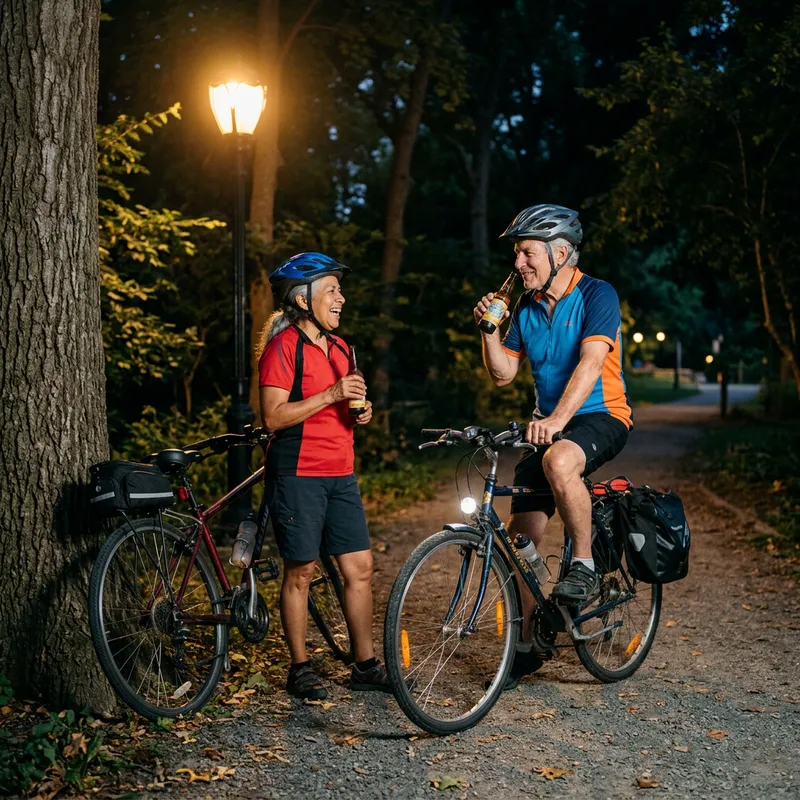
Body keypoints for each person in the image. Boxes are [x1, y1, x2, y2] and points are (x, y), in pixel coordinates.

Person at [473, 204, 632, 689]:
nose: (517, 263)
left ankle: (582, 563)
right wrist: (489, 331)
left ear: (560, 252)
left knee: (561, 459)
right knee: (520, 541)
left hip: (599, 416)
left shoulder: (596, 294)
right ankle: (528, 645)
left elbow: (590, 362)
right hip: (548, 425)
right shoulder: (523, 307)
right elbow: (503, 375)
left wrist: (559, 421)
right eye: (516, 254)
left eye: (526, 253)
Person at [257, 251, 391, 700]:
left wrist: (360, 411)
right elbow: (273, 418)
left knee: (360, 569)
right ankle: (299, 668)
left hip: (341, 472)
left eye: (339, 289)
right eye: (331, 289)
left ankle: (366, 665)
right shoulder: (283, 347)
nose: (341, 297)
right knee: (300, 572)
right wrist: (332, 393)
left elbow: (341, 410)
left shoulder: (341, 348)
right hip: (298, 473)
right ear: (301, 298)